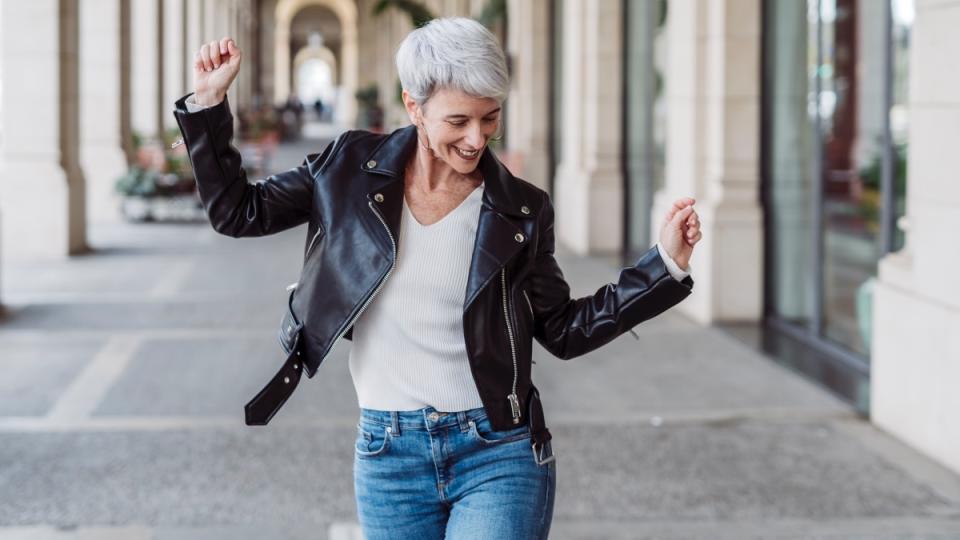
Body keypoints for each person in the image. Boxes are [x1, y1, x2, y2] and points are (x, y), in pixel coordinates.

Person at [173, 17, 701, 540]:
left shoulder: (521, 209)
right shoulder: (347, 168)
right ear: (414, 108)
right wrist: (208, 108)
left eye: (490, 119)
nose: (477, 139)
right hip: (387, 456)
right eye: (459, 121)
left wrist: (664, 266)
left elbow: (564, 329)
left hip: (498, 452)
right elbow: (238, 212)